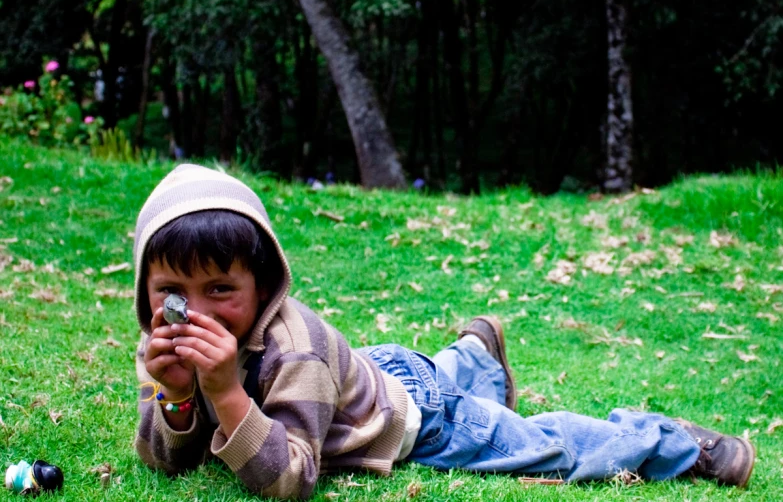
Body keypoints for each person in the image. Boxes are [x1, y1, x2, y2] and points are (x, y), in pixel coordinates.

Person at [133, 164, 756, 499]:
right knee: (430, 377)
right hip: (373, 375)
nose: (197, 313)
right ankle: (475, 355)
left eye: (221, 290)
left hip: (412, 418)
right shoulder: (165, 347)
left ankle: (676, 444)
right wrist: (181, 396)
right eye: (173, 293)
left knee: (543, 448)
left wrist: (228, 393)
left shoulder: (296, 353)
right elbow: (166, 462)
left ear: (263, 287)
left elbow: (293, 479)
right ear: (148, 292)